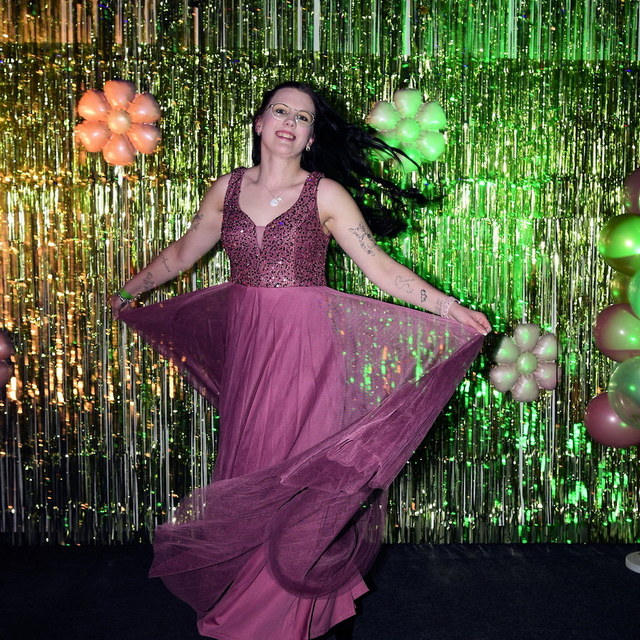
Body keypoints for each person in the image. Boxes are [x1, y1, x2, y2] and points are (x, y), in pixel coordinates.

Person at [112, 81, 491, 640]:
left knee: (302, 478)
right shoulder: (226, 190)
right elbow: (182, 255)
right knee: (251, 468)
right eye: (280, 111)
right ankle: (253, 604)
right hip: (251, 351)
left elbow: (380, 269)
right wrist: (129, 291)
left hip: (308, 353)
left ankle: (295, 613)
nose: (290, 123)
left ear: (311, 137)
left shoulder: (326, 194)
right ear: (260, 123)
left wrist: (451, 308)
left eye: (303, 117)